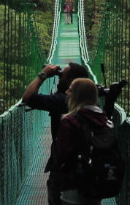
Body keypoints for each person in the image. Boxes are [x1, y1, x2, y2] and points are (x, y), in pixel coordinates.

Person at [22, 62, 91, 205]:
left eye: (62, 76)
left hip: (64, 171)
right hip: (87, 168)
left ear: (72, 82)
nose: (59, 78)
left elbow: (28, 98)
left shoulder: (64, 102)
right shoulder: (87, 102)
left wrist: (43, 74)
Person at [54, 78, 111, 205]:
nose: (66, 92)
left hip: (73, 188)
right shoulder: (104, 119)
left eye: (70, 90)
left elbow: (62, 155)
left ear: (77, 95)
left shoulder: (69, 121)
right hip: (97, 184)